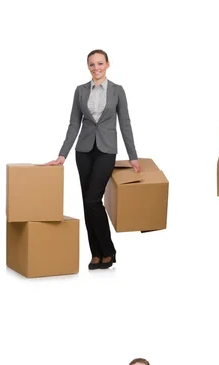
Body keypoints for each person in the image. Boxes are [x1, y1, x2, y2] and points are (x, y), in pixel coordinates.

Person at [47, 49, 140, 270]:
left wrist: (133, 156)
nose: (96, 68)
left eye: (100, 63)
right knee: (88, 203)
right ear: (87, 67)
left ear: (108, 64)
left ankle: (108, 251)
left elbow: (125, 124)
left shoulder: (118, 91)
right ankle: (96, 254)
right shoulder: (80, 91)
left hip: (107, 150)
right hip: (84, 151)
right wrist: (62, 155)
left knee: (92, 200)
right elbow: (73, 125)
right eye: (92, 64)